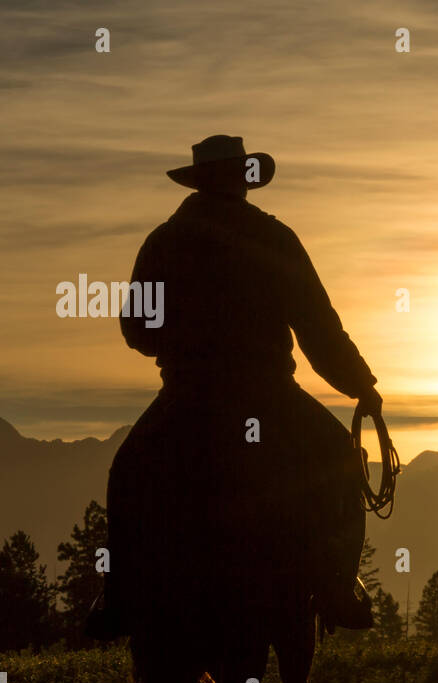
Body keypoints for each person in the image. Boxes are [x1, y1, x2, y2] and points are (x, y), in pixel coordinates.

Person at [86, 135, 380, 638]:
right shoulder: (275, 238)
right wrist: (361, 386)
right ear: (242, 179)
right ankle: (337, 587)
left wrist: (183, 343)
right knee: (339, 456)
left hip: (187, 394)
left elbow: (136, 329)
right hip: (269, 394)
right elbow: (318, 328)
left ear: (200, 180)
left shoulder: (164, 240)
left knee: (128, 471)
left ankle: (119, 595)